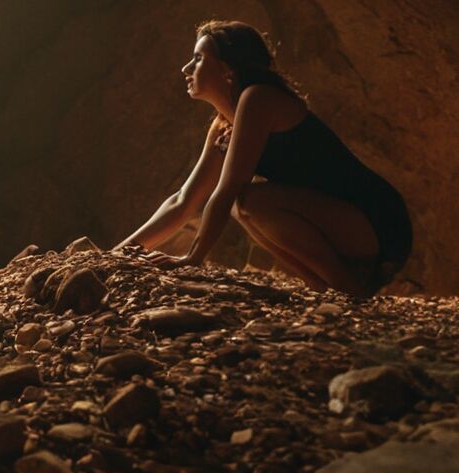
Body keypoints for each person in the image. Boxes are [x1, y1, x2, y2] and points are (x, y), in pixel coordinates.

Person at [114, 20, 412, 297]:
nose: (186, 68)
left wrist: (193, 258)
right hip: (339, 224)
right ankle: (325, 286)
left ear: (228, 69)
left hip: (376, 220)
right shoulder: (224, 125)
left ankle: (347, 288)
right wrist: (119, 254)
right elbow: (183, 202)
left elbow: (228, 188)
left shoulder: (259, 98)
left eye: (198, 58)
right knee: (242, 206)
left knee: (247, 201)